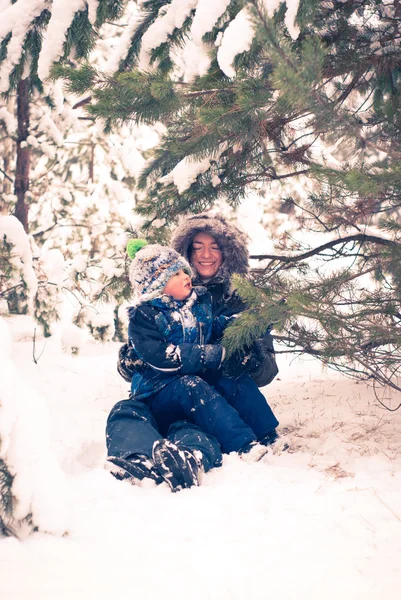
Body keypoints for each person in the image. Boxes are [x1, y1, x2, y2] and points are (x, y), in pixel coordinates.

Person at [106, 241, 279, 492]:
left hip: (195, 395)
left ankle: (259, 436)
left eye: (183, 271)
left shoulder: (199, 302)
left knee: (227, 382)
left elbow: (219, 326)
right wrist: (208, 355)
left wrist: (252, 323)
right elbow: (161, 356)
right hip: (159, 391)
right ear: (156, 287)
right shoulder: (147, 316)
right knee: (130, 410)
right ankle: (241, 443)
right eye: (175, 274)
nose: (186, 276)